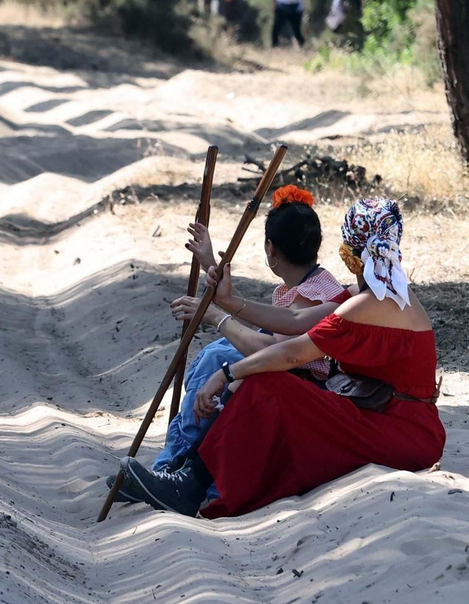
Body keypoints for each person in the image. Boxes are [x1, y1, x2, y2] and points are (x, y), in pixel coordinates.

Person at [120, 197, 444, 518]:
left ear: (351, 252)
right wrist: (229, 302)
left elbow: (292, 352)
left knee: (267, 382)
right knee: (249, 371)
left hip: (397, 432)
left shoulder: (369, 304)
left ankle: (189, 484)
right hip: (394, 421)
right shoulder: (392, 295)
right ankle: (185, 474)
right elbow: (292, 322)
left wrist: (228, 373)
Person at [108, 186, 348, 505]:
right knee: (218, 353)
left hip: (309, 388)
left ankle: (175, 469)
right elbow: (263, 327)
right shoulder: (312, 284)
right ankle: (173, 466)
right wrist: (210, 264)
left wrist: (216, 316)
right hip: (299, 376)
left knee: (219, 357)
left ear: (270, 248)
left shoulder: (314, 294)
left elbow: (270, 350)